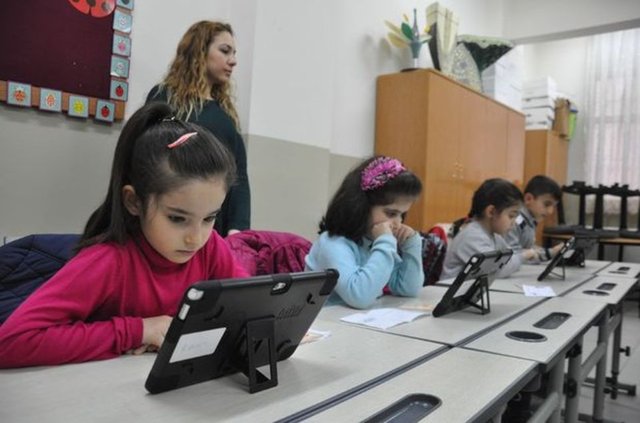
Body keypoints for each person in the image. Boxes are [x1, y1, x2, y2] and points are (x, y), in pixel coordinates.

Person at [0, 103, 249, 368]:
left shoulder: (211, 247)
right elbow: (10, 342)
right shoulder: (107, 261)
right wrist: (138, 331)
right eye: (177, 218)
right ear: (134, 202)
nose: (196, 238)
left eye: (209, 218)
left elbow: (251, 306)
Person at [146, 21, 250, 237]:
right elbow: (146, 159)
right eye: (225, 51)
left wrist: (238, 229)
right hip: (171, 220)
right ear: (200, 51)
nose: (233, 61)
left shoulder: (226, 113)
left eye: (234, 53)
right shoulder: (165, 98)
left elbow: (239, 175)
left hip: (213, 227)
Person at [305, 156, 424, 309]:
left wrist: (412, 245)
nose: (398, 223)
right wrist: (385, 242)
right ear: (362, 207)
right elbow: (359, 297)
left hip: (356, 320)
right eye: (391, 213)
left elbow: (408, 289)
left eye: (402, 214)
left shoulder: (372, 240)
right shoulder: (332, 243)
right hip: (326, 321)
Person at [441, 178, 538, 280]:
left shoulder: (494, 235)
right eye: (511, 216)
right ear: (491, 212)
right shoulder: (472, 236)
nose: (514, 223)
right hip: (448, 289)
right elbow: (497, 270)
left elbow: (510, 255)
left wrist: (523, 255)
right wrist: (524, 256)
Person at [504, 175, 564, 261]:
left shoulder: (529, 220)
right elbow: (513, 254)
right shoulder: (514, 220)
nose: (550, 211)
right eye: (547, 204)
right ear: (528, 199)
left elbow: (528, 248)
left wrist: (551, 252)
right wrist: (549, 253)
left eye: (553, 206)